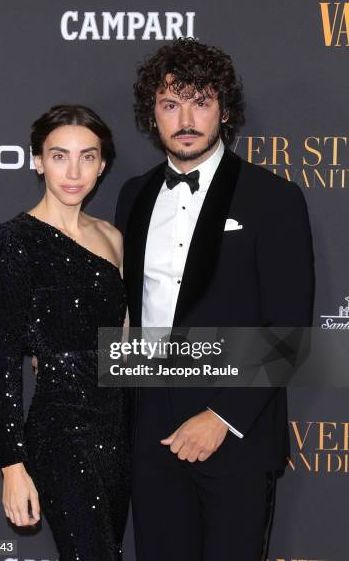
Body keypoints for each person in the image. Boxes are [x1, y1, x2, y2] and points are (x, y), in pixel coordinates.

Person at [115, 38, 315, 561]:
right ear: (152, 114)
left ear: (224, 111)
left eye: (200, 101)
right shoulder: (133, 196)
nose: (186, 117)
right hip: (150, 427)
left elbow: (289, 330)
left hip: (236, 431)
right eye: (170, 103)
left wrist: (221, 417)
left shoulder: (273, 197)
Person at [0, 105, 130, 561]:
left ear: (102, 164)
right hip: (60, 433)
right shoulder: (4, 245)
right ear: (37, 160)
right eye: (59, 156)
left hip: (118, 434)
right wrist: (13, 467)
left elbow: (125, 342)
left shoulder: (113, 239)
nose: (73, 171)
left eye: (87, 156)